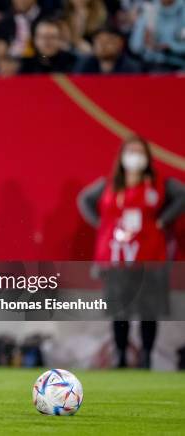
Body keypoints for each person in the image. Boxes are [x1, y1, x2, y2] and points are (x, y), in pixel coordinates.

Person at [77, 136, 185, 369]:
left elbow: (182, 196)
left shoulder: (159, 184)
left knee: (149, 308)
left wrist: (162, 220)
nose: (134, 156)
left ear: (147, 157)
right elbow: (84, 199)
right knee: (120, 309)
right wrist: (101, 224)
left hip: (148, 254)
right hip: (117, 257)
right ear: (122, 156)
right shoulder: (109, 184)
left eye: (139, 152)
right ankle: (121, 357)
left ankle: (146, 357)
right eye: (130, 151)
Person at [129, 0, 185, 71]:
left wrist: (170, 47)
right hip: (150, 65)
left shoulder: (183, 11)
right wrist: (144, 39)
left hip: (178, 66)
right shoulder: (150, 10)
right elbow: (135, 47)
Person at [74, 26, 141, 73]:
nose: (102, 46)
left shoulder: (131, 68)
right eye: (98, 41)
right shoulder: (84, 64)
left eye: (107, 41)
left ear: (120, 44)